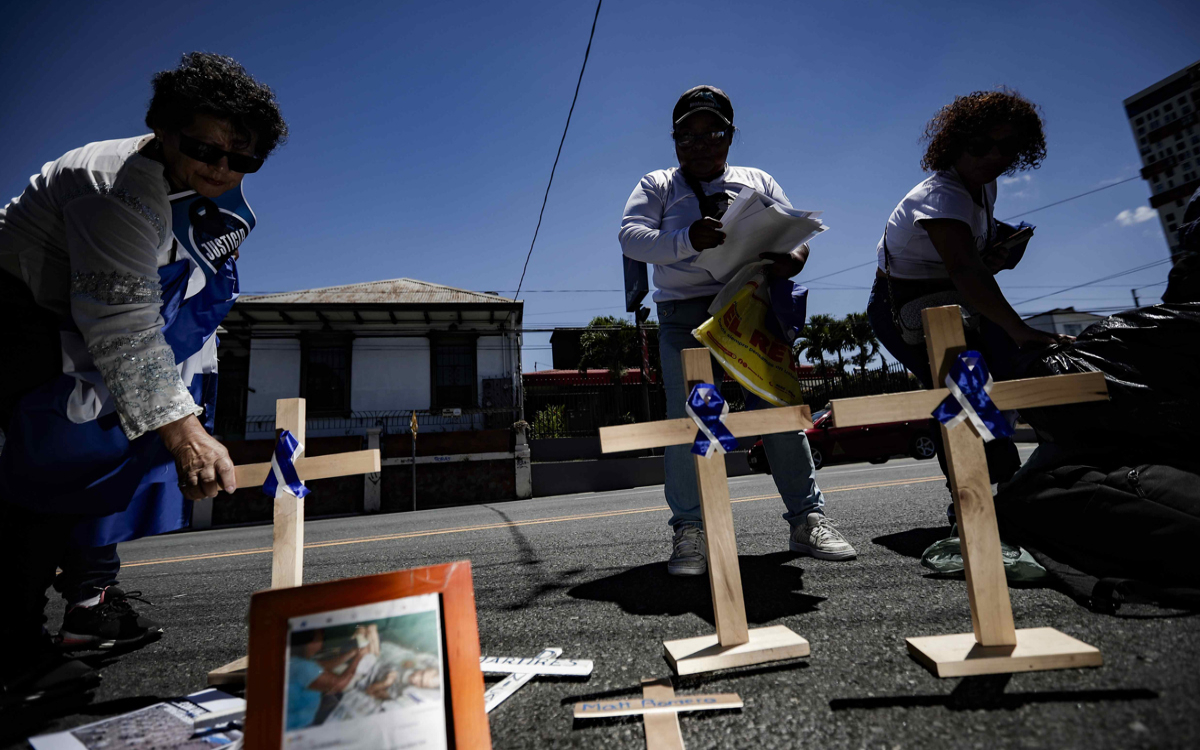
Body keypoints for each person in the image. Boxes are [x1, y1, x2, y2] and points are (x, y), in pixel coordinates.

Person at [0, 52, 287, 703]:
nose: (221, 169)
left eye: (241, 160)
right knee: (50, 466)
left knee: (109, 459)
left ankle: (89, 605)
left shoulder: (206, 196)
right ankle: (12, 651)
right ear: (163, 127)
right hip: (22, 313)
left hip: (95, 320)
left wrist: (185, 396)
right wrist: (184, 430)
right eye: (204, 149)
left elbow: (175, 301)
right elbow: (121, 324)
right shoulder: (115, 191)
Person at [620, 85, 856, 576]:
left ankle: (807, 518)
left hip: (751, 306)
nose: (700, 144)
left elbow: (795, 234)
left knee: (777, 409)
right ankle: (691, 530)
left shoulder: (757, 179)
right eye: (687, 135)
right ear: (673, 139)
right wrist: (688, 238)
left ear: (731, 136)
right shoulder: (658, 184)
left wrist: (794, 258)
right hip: (685, 316)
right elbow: (631, 237)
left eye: (713, 133)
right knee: (693, 417)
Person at [865, 89, 1069, 495]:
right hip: (903, 306)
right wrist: (1020, 329)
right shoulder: (941, 195)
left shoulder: (984, 186)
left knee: (1015, 369)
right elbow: (964, 270)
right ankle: (970, 500)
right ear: (955, 144)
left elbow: (968, 263)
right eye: (980, 144)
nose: (994, 155)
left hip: (957, 299)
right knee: (961, 389)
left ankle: (1019, 482)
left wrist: (997, 254)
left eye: (1007, 146)